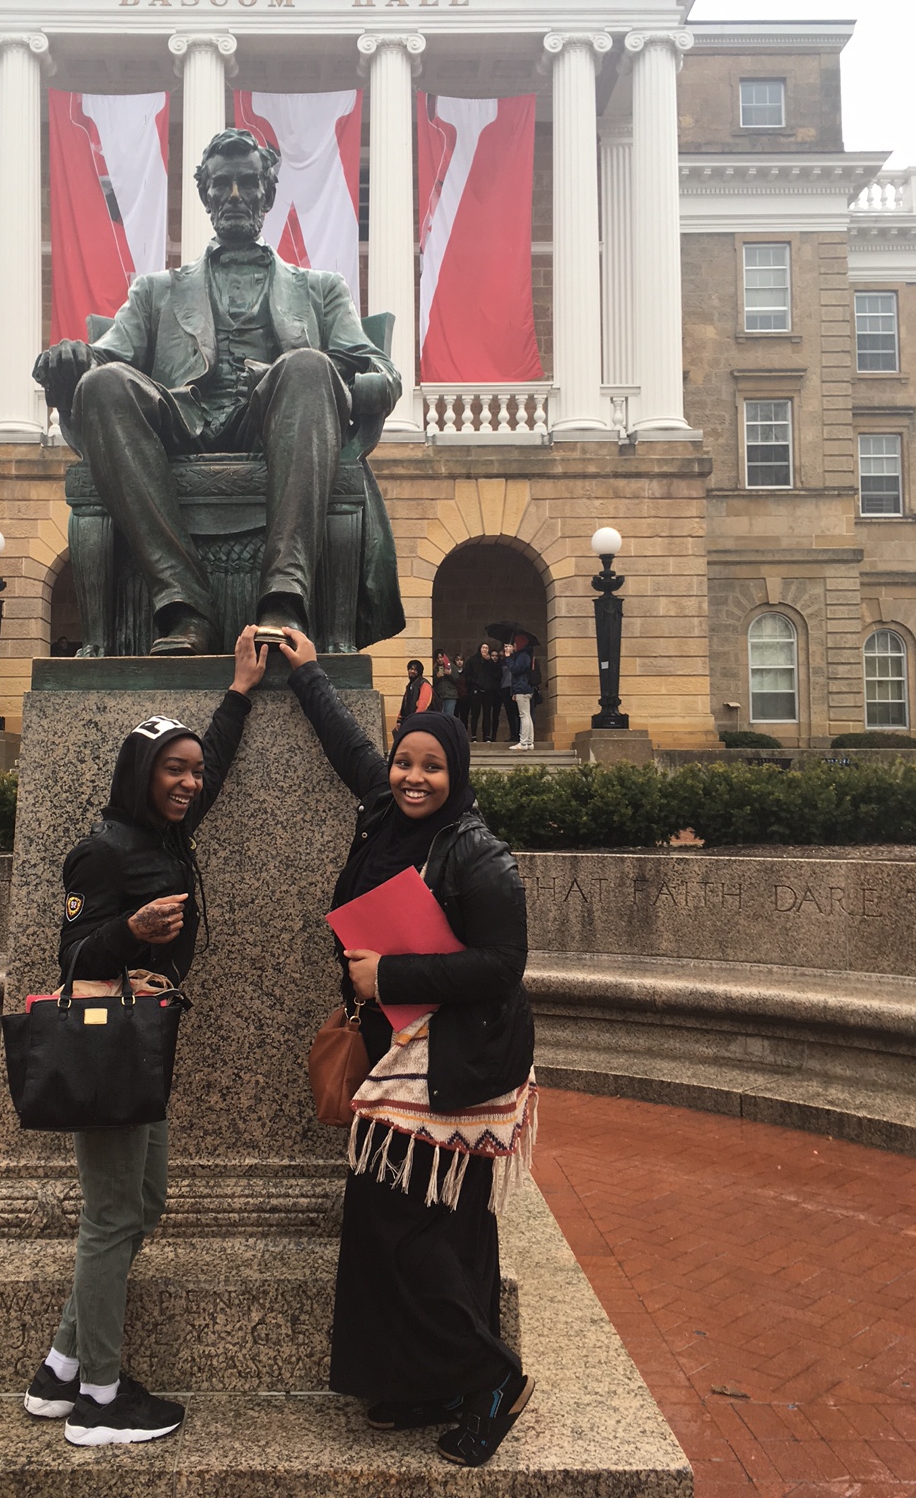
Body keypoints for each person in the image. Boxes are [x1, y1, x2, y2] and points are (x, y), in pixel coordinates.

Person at [280, 627, 537, 1468]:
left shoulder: (478, 854)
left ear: (458, 775)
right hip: (397, 1059)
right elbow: (349, 745)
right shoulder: (383, 810)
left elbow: (502, 966)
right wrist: (308, 670)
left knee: (424, 1233)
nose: (413, 777)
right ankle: (429, 1380)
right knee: (399, 1223)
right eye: (405, 762)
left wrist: (386, 975)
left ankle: (491, 1378)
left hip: (455, 1065)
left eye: (432, 767)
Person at [23, 626, 267, 1447]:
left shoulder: (167, 835)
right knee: (110, 1215)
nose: (191, 783)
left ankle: (59, 1370)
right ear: (140, 774)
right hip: (108, 1046)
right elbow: (72, 957)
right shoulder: (103, 851)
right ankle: (99, 1396)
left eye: (194, 772)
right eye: (175, 770)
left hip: (146, 1048)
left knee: (143, 1203)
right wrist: (130, 928)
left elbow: (218, 770)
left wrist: (236, 694)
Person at [33, 128, 403, 655]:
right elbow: (108, 357)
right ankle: (181, 603)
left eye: (248, 183)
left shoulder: (320, 289)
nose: (234, 196)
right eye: (222, 184)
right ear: (205, 194)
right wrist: (71, 359)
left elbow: (382, 375)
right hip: (178, 427)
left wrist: (330, 386)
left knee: (304, 365)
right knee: (102, 384)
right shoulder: (156, 291)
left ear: (268, 195)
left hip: (273, 426)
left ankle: (283, 598)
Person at [463, 641, 501, 743]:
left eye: (487, 648)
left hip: (488, 692)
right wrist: (475, 683)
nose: (485, 650)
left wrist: (490, 662)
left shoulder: (490, 662)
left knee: (487, 714)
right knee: (475, 714)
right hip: (476, 691)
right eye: (483, 648)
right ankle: (474, 736)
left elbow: (496, 674)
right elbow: (467, 675)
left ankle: (487, 736)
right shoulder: (472, 660)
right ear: (479, 649)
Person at [506, 640, 536, 752]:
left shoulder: (522, 656)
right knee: (527, 715)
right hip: (524, 687)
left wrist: (508, 657)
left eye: (514, 645)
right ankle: (529, 741)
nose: (512, 646)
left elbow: (515, 669)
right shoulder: (525, 655)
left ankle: (523, 742)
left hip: (521, 688)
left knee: (523, 715)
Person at [395, 659, 433, 734]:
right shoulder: (410, 686)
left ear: (419, 672)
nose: (412, 671)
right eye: (410, 669)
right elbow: (404, 705)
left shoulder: (424, 684)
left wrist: (414, 720)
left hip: (421, 722)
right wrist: (399, 720)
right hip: (410, 721)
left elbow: (423, 705)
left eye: (415, 670)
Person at [453, 654, 470, 729]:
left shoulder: (466, 672)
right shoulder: (453, 672)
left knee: (464, 717)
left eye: (461, 660)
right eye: (457, 660)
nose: (459, 662)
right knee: (454, 716)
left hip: (465, 697)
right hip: (455, 697)